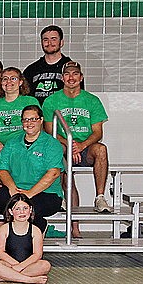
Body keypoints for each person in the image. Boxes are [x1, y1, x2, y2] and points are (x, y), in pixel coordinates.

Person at [41, 61, 112, 214]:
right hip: (64, 146)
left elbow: (98, 133)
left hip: (85, 147)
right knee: (56, 149)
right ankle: (59, 197)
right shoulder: (51, 101)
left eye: (75, 74)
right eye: (67, 74)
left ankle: (100, 197)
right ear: (62, 78)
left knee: (101, 149)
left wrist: (81, 146)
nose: (71, 77)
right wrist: (70, 144)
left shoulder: (92, 100)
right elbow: (49, 131)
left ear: (81, 77)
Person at [0, 105, 64, 234]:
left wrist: (29, 193)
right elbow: (2, 169)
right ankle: (14, 240)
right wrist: (12, 189)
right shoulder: (12, 142)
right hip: (16, 191)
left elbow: (53, 173)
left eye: (33, 119)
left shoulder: (51, 144)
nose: (29, 123)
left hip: (46, 193)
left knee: (25, 207)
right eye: (25, 120)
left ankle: (34, 236)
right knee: (1, 197)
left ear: (41, 120)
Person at [0, 194, 51, 284]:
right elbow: (0, 252)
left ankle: (7, 276)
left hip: (28, 265)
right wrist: (15, 265)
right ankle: (28, 279)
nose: (22, 212)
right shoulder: (4, 228)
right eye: (17, 209)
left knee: (45, 265)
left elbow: (37, 254)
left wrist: (21, 266)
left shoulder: (35, 230)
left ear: (30, 209)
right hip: (9, 264)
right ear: (10, 211)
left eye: (25, 208)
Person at [0, 67, 40, 150]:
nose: (9, 82)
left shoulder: (30, 101)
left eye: (13, 78)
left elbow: (38, 127)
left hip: (25, 148)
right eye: (5, 79)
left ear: (20, 82)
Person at [24, 24, 74, 104]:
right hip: (39, 115)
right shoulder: (31, 70)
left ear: (61, 42)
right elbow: (25, 98)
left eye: (53, 39)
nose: (49, 43)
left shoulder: (71, 68)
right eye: (45, 40)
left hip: (63, 115)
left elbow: (78, 98)